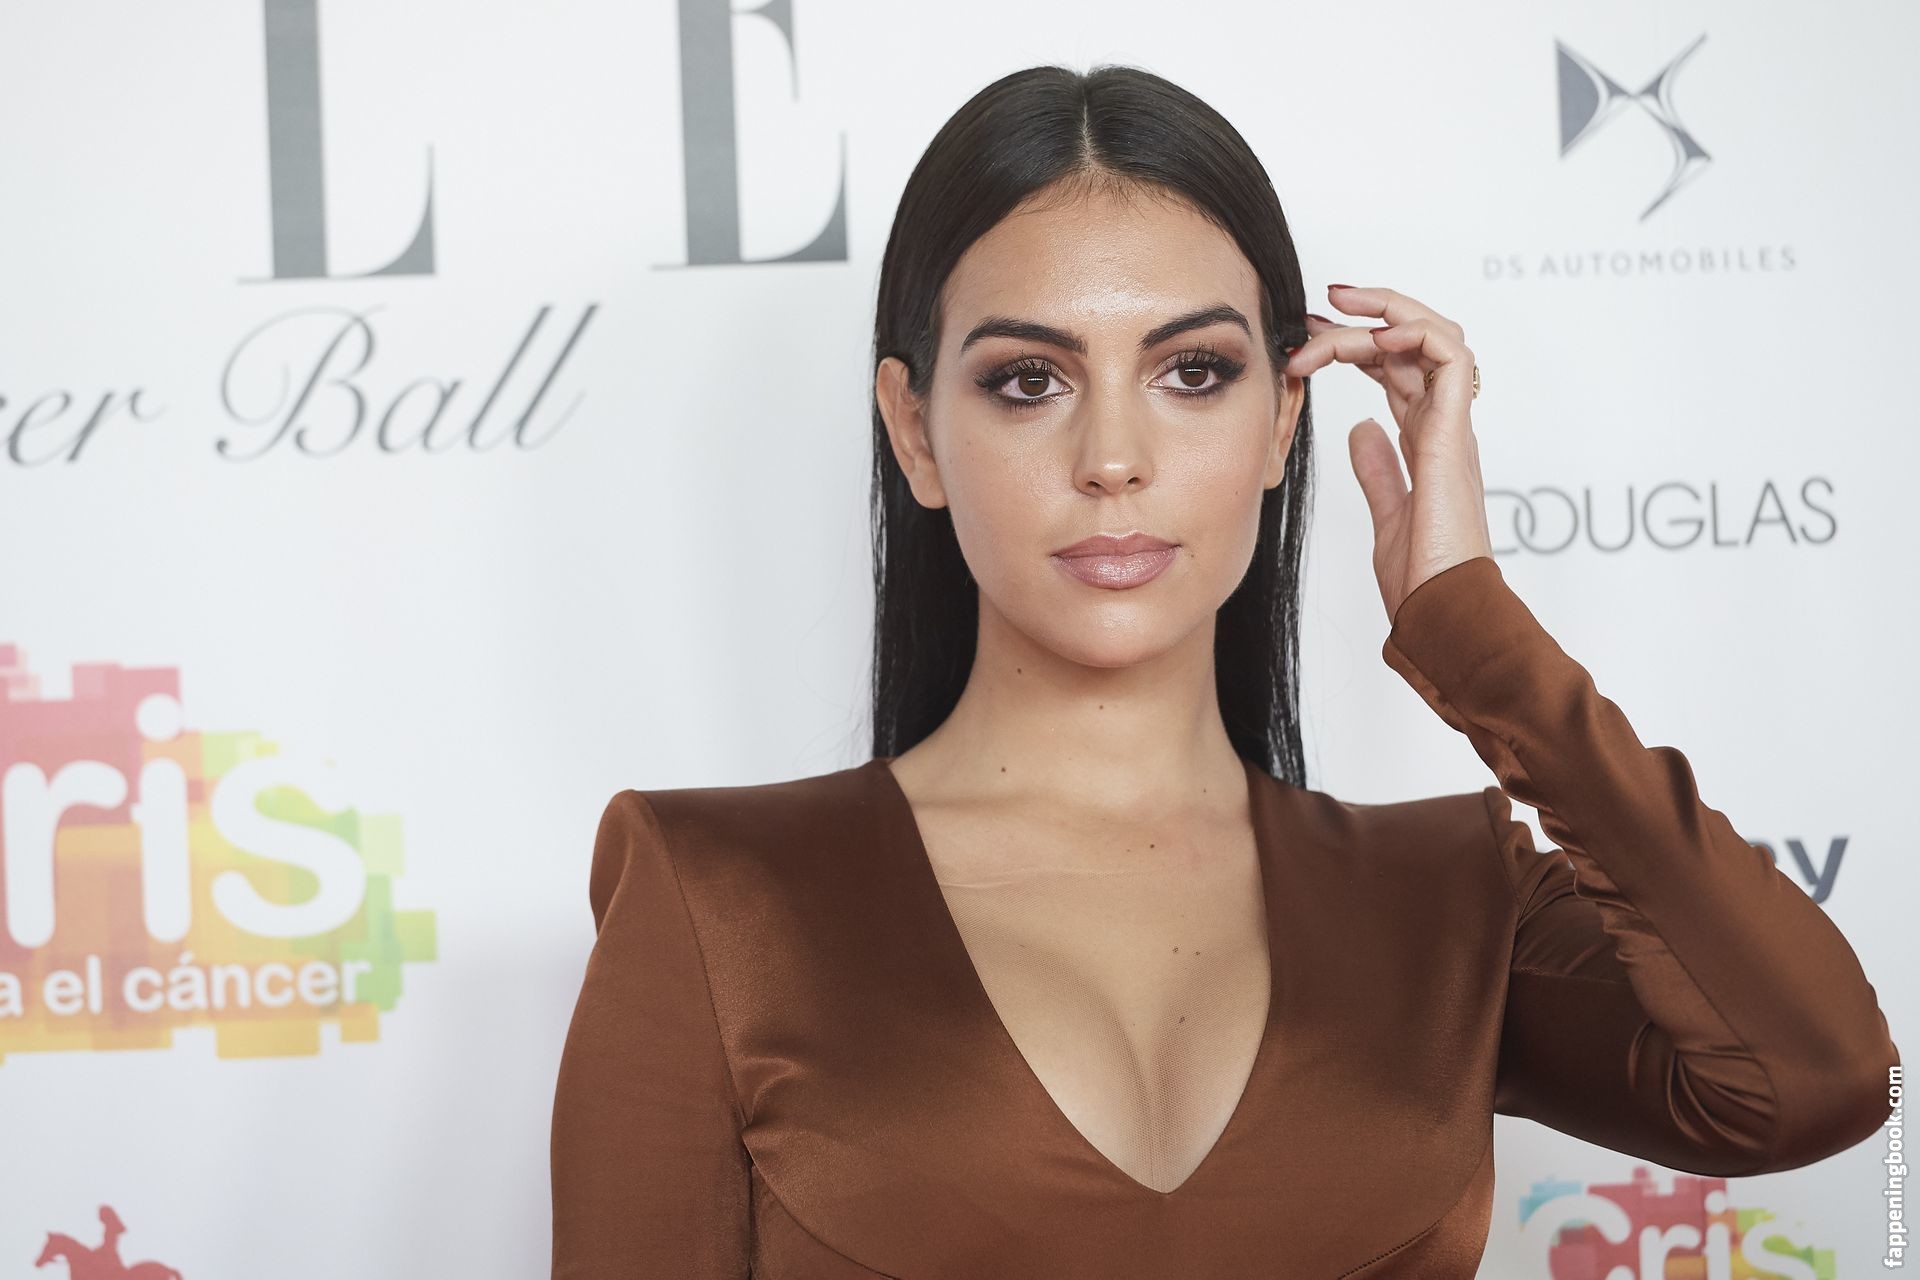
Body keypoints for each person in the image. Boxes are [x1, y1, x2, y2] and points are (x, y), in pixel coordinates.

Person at [549, 62, 1899, 1277]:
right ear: (914, 432)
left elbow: (1815, 1079)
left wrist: (1473, 631)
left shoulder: (1450, 899)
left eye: (1192, 372)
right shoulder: (719, 901)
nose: (1113, 459)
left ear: (1282, 418)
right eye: (1029, 381)